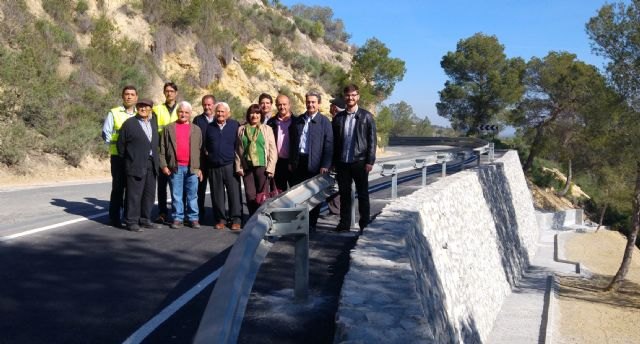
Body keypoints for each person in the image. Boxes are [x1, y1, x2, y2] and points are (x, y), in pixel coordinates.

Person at [332, 84, 377, 233]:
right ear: (344, 97)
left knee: (363, 194)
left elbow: (372, 140)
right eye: (347, 95)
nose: (350, 98)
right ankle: (344, 223)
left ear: (358, 96)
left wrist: (370, 161)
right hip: (342, 163)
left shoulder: (367, 116)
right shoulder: (338, 118)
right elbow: (334, 142)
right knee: (344, 195)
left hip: (360, 162)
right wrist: (333, 162)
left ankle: (365, 223)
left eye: (353, 95)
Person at [289, 91, 333, 230]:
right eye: (308, 102)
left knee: (314, 195)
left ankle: (311, 223)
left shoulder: (324, 122)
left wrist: (325, 164)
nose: (310, 104)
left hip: (315, 163)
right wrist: (291, 161)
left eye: (313, 102)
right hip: (299, 162)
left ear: (319, 104)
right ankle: (299, 223)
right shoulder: (299, 120)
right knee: (298, 195)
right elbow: (292, 142)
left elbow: (329, 144)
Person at [117, 99, 161, 232]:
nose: (143, 109)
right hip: (135, 163)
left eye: (146, 107)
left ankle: (145, 219)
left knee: (149, 193)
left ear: (151, 109)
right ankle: (131, 221)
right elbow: (121, 145)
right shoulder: (129, 124)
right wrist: (130, 160)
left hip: (152, 163)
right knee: (134, 194)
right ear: (137, 108)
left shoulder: (153, 122)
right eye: (141, 106)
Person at [159, 101, 204, 229]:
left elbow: (199, 149)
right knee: (176, 194)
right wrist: (164, 165)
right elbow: (162, 149)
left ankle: (193, 218)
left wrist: (199, 168)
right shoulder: (168, 128)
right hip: (175, 167)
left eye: (186, 112)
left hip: (192, 167)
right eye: (181, 112)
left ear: (190, 114)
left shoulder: (196, 129)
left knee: (192, 195)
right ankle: (177, 217)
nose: (183, 114)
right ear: (177, 113)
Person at [102, 85, 138, 228]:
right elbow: (106, 133)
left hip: (133, 157)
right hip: (118, 157)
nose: (129, 96)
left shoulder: (140, 113)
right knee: (118, 188)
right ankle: (114, 217)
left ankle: (129, 217)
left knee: (131, 188)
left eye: (132, 94)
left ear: (136, 97)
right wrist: (118, 146)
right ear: (123, 96)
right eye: (126, 94)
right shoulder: (114, 112)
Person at [204, 102, 242, 230]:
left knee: (234, 194)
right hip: (214, 166)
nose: (220, 114)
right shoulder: (210, 127)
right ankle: (221, 219)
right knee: (217, 194)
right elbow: (205, 145)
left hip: (230, 165)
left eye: (222, 111)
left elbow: (239, 145)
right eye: (218, 111)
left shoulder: (235, 125)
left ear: (228, 113)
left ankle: (236, 219)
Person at [236, 104, 278, 216]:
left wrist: (270, 168)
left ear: (261, 115)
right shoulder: (241, 129)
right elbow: (238, 150)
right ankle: (252, 218)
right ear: (248, 115)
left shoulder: (267, 129)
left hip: (262, 166)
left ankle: (263, 218)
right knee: (250, 194)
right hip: (247, 167)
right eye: (252, 113)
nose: (254, 115)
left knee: (262, 195)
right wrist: (239, 166)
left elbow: (273, 150)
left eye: (257, 113)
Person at [153, 82, 179, 224]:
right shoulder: (157, 110)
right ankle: (162, 212)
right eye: (166, 91)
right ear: (164, 93)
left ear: (176, 93)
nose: (169, 93)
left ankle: (178, 213)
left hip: (177, 154)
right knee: (161, 185)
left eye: (171, 91)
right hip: (161, 152)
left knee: (177, 185)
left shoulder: (181, 109)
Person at [192, 94, 216, 221]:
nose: (207, 107)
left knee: (216, 188)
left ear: (214, 105)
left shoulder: (220, 118)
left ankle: (218, 215)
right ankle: (198, 213)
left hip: (215, 159)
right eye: (205, 105)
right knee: (199, 188)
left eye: (209, 104)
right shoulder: (197, 120)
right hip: (201, 160)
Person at [266, 94, 294, 192]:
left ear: (289, 105)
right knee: (278, 194)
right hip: (278, 163)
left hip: (293, 164)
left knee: (295, 194)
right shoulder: (271, 122)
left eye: (284, 104)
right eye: (279, 105)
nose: (282, 107)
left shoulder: (297, 121)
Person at [327, 97, 346, 215]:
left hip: (336, 161)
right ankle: (338, 211)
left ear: (334, 108)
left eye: (331, 105)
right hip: (342, 161)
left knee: (333, 187)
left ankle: (336, 212)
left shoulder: (336, 122)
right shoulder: (345, 120)